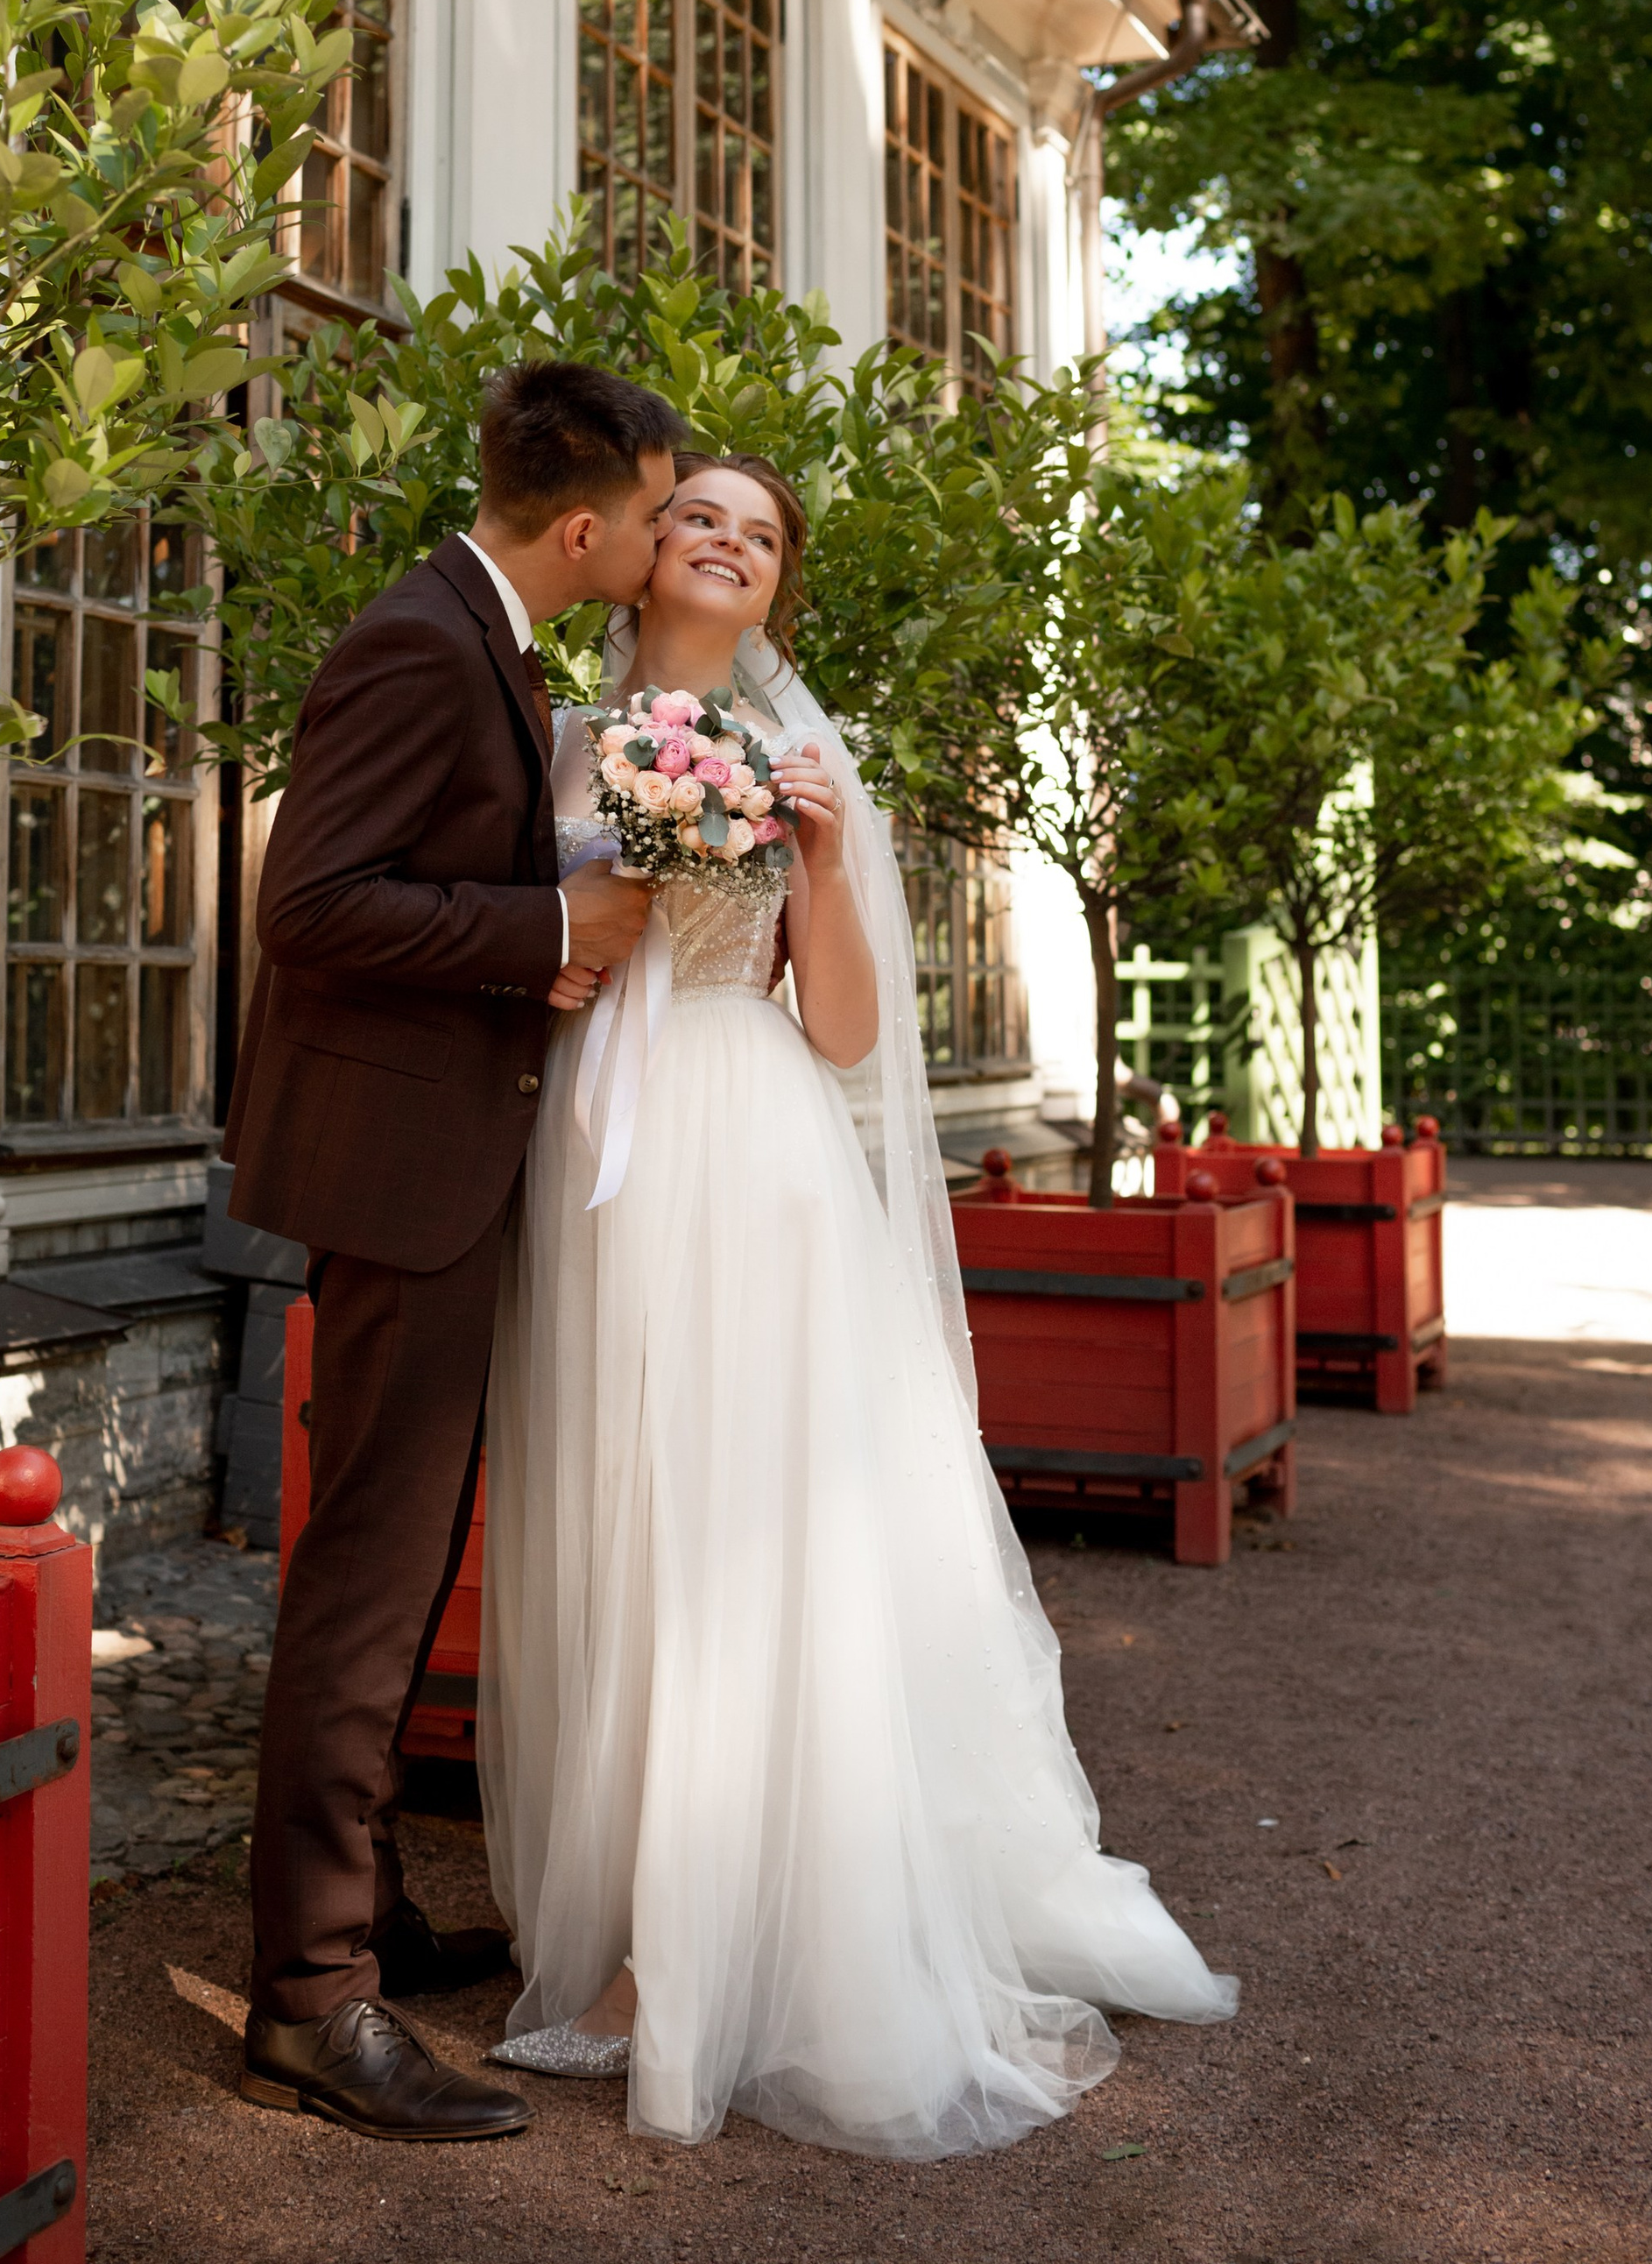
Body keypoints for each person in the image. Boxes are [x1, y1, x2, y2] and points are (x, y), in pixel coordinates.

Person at [477, 452, 1239, 2155]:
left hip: (742, 1158)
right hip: (597, 1153)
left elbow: (836, 1031)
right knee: (620, 1522)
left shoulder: (804, 761)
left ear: (775, 587)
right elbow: (527, 949)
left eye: (757, 534)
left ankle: (688, 1963)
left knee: (734, 1534)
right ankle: (638, 1921)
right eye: (701, 517)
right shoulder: (546, 734)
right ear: (643, 546)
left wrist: (815, 860)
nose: (725, 543)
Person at [227, 360, 685, 2141]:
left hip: (451, 1162)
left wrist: (530, 943)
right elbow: (310, 903)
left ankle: (359, 1910)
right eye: (652, 511)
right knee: (367, 1570)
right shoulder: (419, 641)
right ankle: (305, 1999)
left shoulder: (482, 640)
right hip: (402, 1172)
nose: (657, 538)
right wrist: (549, 923)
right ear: (585, 525)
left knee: (405, 1562)